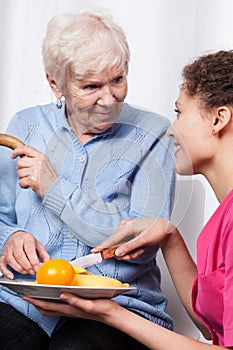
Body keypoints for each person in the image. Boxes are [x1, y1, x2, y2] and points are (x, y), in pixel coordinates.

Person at [24, 49, 233, 349]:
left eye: (179, 112)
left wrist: (110, 313)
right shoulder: (220, 220)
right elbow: (212, 323)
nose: (171, 129)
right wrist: (169, 237)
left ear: (219, 119)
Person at [0, 10, 176, 350]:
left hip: (116, 311)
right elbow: (1, 217)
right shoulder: (25, 125)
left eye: (118, 80)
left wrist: (53, 188)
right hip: (25, 302)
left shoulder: (153, 133)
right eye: (91, 86)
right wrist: (11, 237)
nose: (109, 100)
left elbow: (135, 249)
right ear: (55, 83)